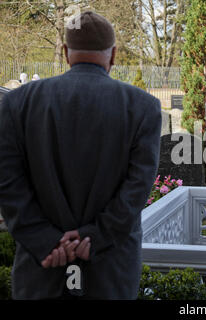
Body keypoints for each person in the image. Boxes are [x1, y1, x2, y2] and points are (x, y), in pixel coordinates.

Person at [0, 11, 161, 299]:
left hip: (41, 269)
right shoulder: (142, 107)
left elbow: (7, 181)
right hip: (109, 269)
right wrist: (95, 237)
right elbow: (137, 188)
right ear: (113, 55)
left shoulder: (17, 104)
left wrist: (44, 240)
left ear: (65, 52)